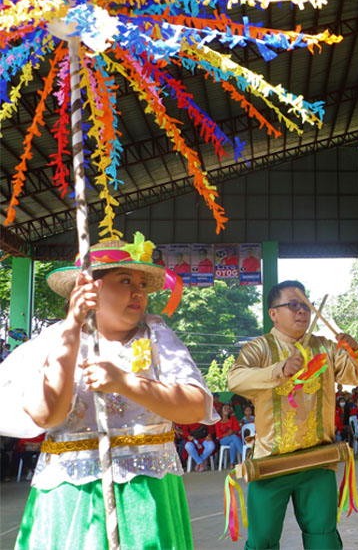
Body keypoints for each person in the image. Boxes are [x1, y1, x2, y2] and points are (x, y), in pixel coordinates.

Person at [0, 235, 216, 549]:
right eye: (125, 280)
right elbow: (48, 414)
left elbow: (196, 406)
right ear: (88, 289)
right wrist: (72, 328)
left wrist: (124, 382)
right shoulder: (54, 341)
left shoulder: (156, 335)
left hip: (146, 496)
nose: (138, 292)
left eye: (142, 284)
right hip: (70, 495)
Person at [228, 280, 358, 550]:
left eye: (306, 305)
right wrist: (279, 369)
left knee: (323, 537)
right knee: (262, 541)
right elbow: (235, 379)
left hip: (317, 460)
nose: (302, 311)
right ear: (274, 314)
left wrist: (356, 350)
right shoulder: (259, 348)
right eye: (293, 305)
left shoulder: (325, 347)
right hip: (271, 463)